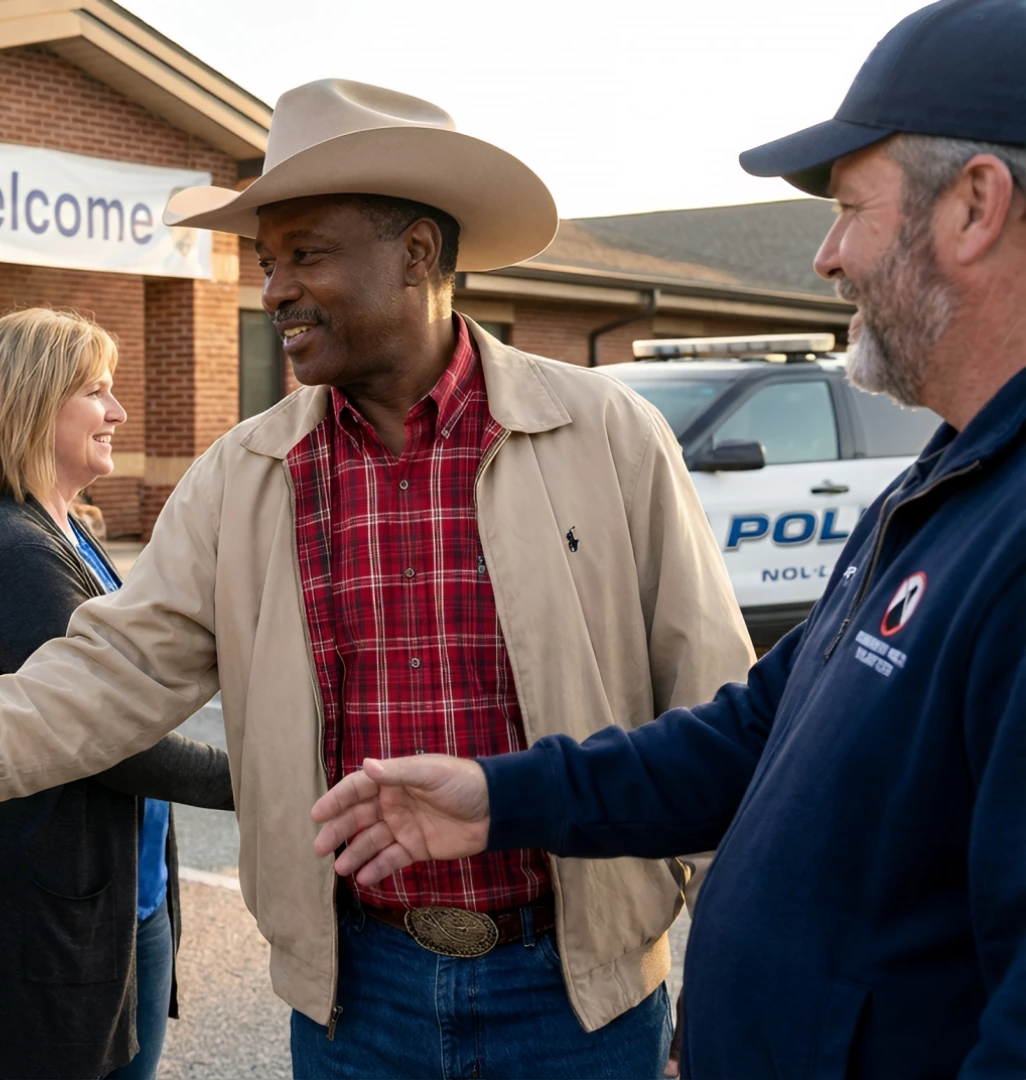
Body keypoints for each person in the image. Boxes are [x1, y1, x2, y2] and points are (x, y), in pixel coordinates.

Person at [0, 79, 751, 1079]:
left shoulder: (605, 437)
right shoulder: (241, 476)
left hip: (577, 999)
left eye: (305, 253)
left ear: (415, 253)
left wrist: (731, 981)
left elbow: (715, 715)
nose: (272, 290)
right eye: (265, 260)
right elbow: (114, 666)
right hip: (352, 1002)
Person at [309, 2, 1026, 1076]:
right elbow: (748, 736)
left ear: (973, 205)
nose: (826, 259)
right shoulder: (943, 482)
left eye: (846, 209)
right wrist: (499, 797)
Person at [0, 308, 234, 1080]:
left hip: (117, 895)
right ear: (31, 405)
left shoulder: (65, 528)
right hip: (41, 911)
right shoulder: (11, 551)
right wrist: (266, 778)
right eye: (97, 392)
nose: (118, 412)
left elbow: (135, 670)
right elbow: (108, 734)